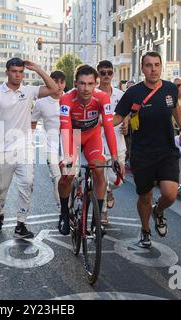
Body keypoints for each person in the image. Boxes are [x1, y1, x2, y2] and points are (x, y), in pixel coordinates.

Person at [0, 58, 58, 238]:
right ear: (7, 72)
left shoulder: (28, 91)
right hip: (2, 149)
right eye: (14, 71)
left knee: (27, 183)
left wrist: (38, 69)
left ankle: (21, 224)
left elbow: (54, 89)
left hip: (24, 147)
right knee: (0, 189)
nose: (18, 75)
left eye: (20, 72)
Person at [113, 51, 181, 248]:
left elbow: (176, 109)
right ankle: (145, 230)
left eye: (157, 65)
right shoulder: (133, 93)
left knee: (170, 193)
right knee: (145, 196)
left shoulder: (171, 88)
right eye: (149, 65)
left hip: (166, 151)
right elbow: (118, 116)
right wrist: (96, 126)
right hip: (142, 153)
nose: (153, 69)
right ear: (142, 69)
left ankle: (158, 211)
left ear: (161, 66)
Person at [57, 65, 119, 235]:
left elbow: (107, 126)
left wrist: (114, 156)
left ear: (96, 83)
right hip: (73, 135)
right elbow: (65, 127)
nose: (86, 89)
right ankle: (63, 213)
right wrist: (69, 158)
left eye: (90, 84)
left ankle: (96, 220)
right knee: (68, 174)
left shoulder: (103, 98)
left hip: (92, 137)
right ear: (75, 83)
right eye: (82, 84)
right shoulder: (66, 99)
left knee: (99, 171)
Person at [95, 60, 127, 225]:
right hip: (98, 145)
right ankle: (103, 213)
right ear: (98, 74)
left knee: (118, 179)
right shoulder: (92, 94)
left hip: (118, 144)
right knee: (100, 180)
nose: (106, 76)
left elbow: (125, 114)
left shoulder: (120, 95)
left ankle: (109, 191)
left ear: (112, 74)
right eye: (103, 73)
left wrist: (126, 124)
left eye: (109, 72)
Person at [31, 71, 67, 209]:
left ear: (64, 84)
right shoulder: (41, 103)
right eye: (54, 81)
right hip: (50, 146)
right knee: (57, 178)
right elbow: (33, 122)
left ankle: (72, 206)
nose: (58, 85)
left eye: (61, 82)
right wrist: (28, 141)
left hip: (69, 145)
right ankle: (62, 210)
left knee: (69, 178)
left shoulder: (71, 99)